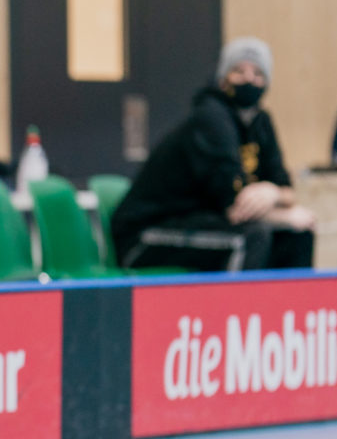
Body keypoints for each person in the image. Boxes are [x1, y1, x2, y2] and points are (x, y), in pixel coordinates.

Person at [112, 36, 316, 272]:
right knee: (251, 237)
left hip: (206, 223)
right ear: (222, 78)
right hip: (147, 235)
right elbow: (234, 209)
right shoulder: (210, 118)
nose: (249, 79)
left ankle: (286, 309)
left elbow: (287, 191)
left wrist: (272, 192)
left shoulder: (260, 122)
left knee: (298, 233)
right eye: (239, 71)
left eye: (258, 74)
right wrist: (284, 216)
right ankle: (240, 310)